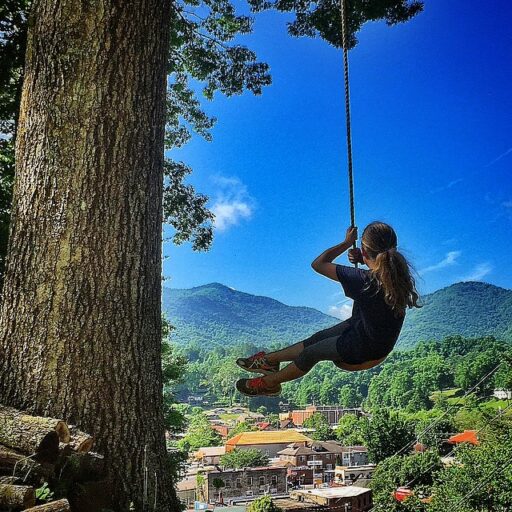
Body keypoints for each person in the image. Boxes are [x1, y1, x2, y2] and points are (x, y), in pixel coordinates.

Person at [235, 221, 420, 397]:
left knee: (311, 353)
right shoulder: (397, 276)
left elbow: (319, 264)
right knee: (317, 338)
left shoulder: (364, 280)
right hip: (371, 337)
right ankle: (270, 360)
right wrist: (364, 260)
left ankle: (270, 383)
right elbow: (379, 272)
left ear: (364, 251)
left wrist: (346, 243)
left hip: (364, 348)